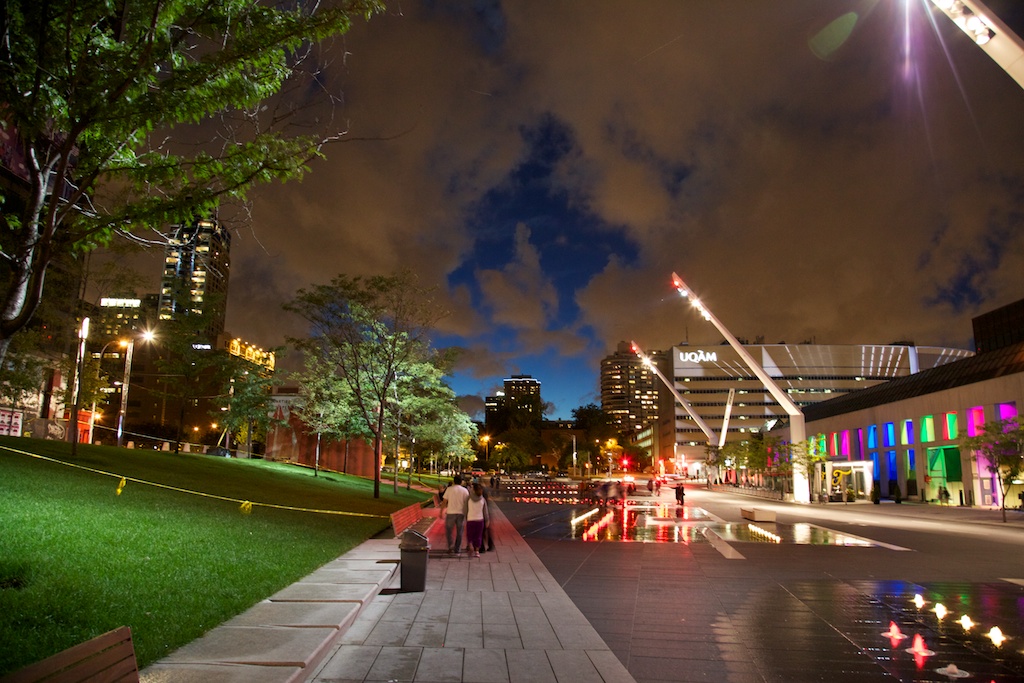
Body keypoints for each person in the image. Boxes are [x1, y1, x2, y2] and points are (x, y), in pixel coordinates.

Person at [441, 475, 470, 554]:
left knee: (449, 531)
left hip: (451, 513)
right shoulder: (465, 490)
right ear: (461, 482)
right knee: (459, 532)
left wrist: (441, 511)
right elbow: (467, 503)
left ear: (454, 481)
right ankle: (457, 549)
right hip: (461, 513)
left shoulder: (449, 489)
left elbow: (444, 502)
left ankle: (450, 546)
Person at [465, 482, 489, 558]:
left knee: (470, 535)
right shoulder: (482, 499)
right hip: (480, 520)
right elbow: (485, 511)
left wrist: (466, 517)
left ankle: (471, 545)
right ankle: (477, 551)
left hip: (470, 519)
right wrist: (487, 520)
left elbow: (465, 509)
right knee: (478, 536)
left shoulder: (468, 498)